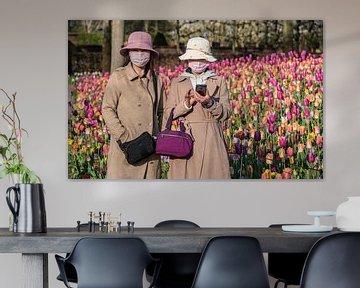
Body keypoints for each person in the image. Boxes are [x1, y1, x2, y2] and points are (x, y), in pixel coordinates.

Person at [164, 37, 230, 179]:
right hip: (185, 139)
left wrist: (210, 102)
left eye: (202, 59)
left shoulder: (219, 81)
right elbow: (168, 114)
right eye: (194, 59)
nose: (198, 63)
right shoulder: (177, 82)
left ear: (208, 60)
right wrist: (187, 104)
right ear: (187, 60)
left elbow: (226, 113)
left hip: (211, 139)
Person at [102, 31, 164, 179]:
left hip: (150, 153)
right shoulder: (118, 77)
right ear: (129, 52)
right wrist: (124, 136)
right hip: (126, 151)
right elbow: (107, 108)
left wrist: (158, 136)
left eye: (144, 50)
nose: (140, 54)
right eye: (135, 50)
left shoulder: (156, 80)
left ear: (150, 53)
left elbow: (162, 111)